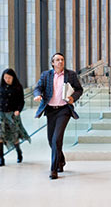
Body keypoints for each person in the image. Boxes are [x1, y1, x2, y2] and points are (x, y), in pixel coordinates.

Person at [34, 52, 84, 180]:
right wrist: (38, 94)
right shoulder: (46, 75)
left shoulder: (70, 74)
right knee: (51, 140)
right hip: (50, 110)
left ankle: (53, 169)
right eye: (57, 60)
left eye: (62, 59)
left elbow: (79, 89)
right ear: (53, 63)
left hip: (64, 110)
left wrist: (73, 98)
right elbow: (38, 87)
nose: (60, 62)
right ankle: (61, 160)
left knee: (57, 139)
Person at [0, 68, 30, 167]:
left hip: (12, 114)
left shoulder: (18, 87)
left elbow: (21, 101)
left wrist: (18, 110)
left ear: (13, 78)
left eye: (9, 78)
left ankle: (18, 152)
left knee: (14, 136)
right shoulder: (0, 86)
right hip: (0, 112)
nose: (7, 79)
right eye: (5, 77)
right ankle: (1, 158)